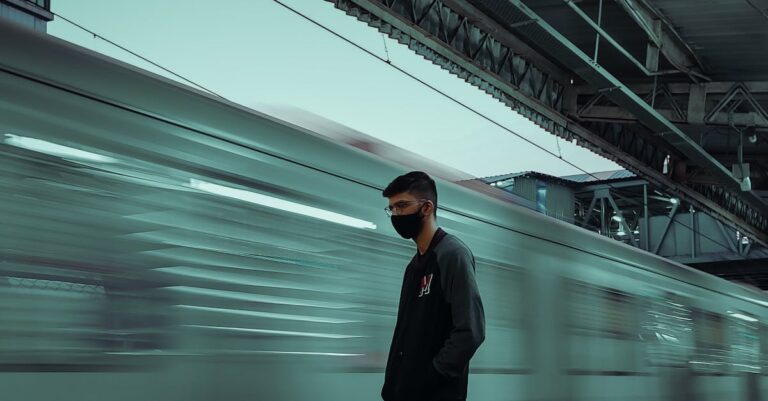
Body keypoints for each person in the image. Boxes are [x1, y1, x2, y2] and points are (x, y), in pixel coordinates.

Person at [381, 171, 485, 401]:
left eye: (402, 205)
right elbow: (404, 333)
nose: (396, 214)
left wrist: (430, 377)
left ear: (427, 208)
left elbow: (470, 331)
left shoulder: (452, 255)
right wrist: (392, 386)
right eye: (392, 208)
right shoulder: (413, 268)